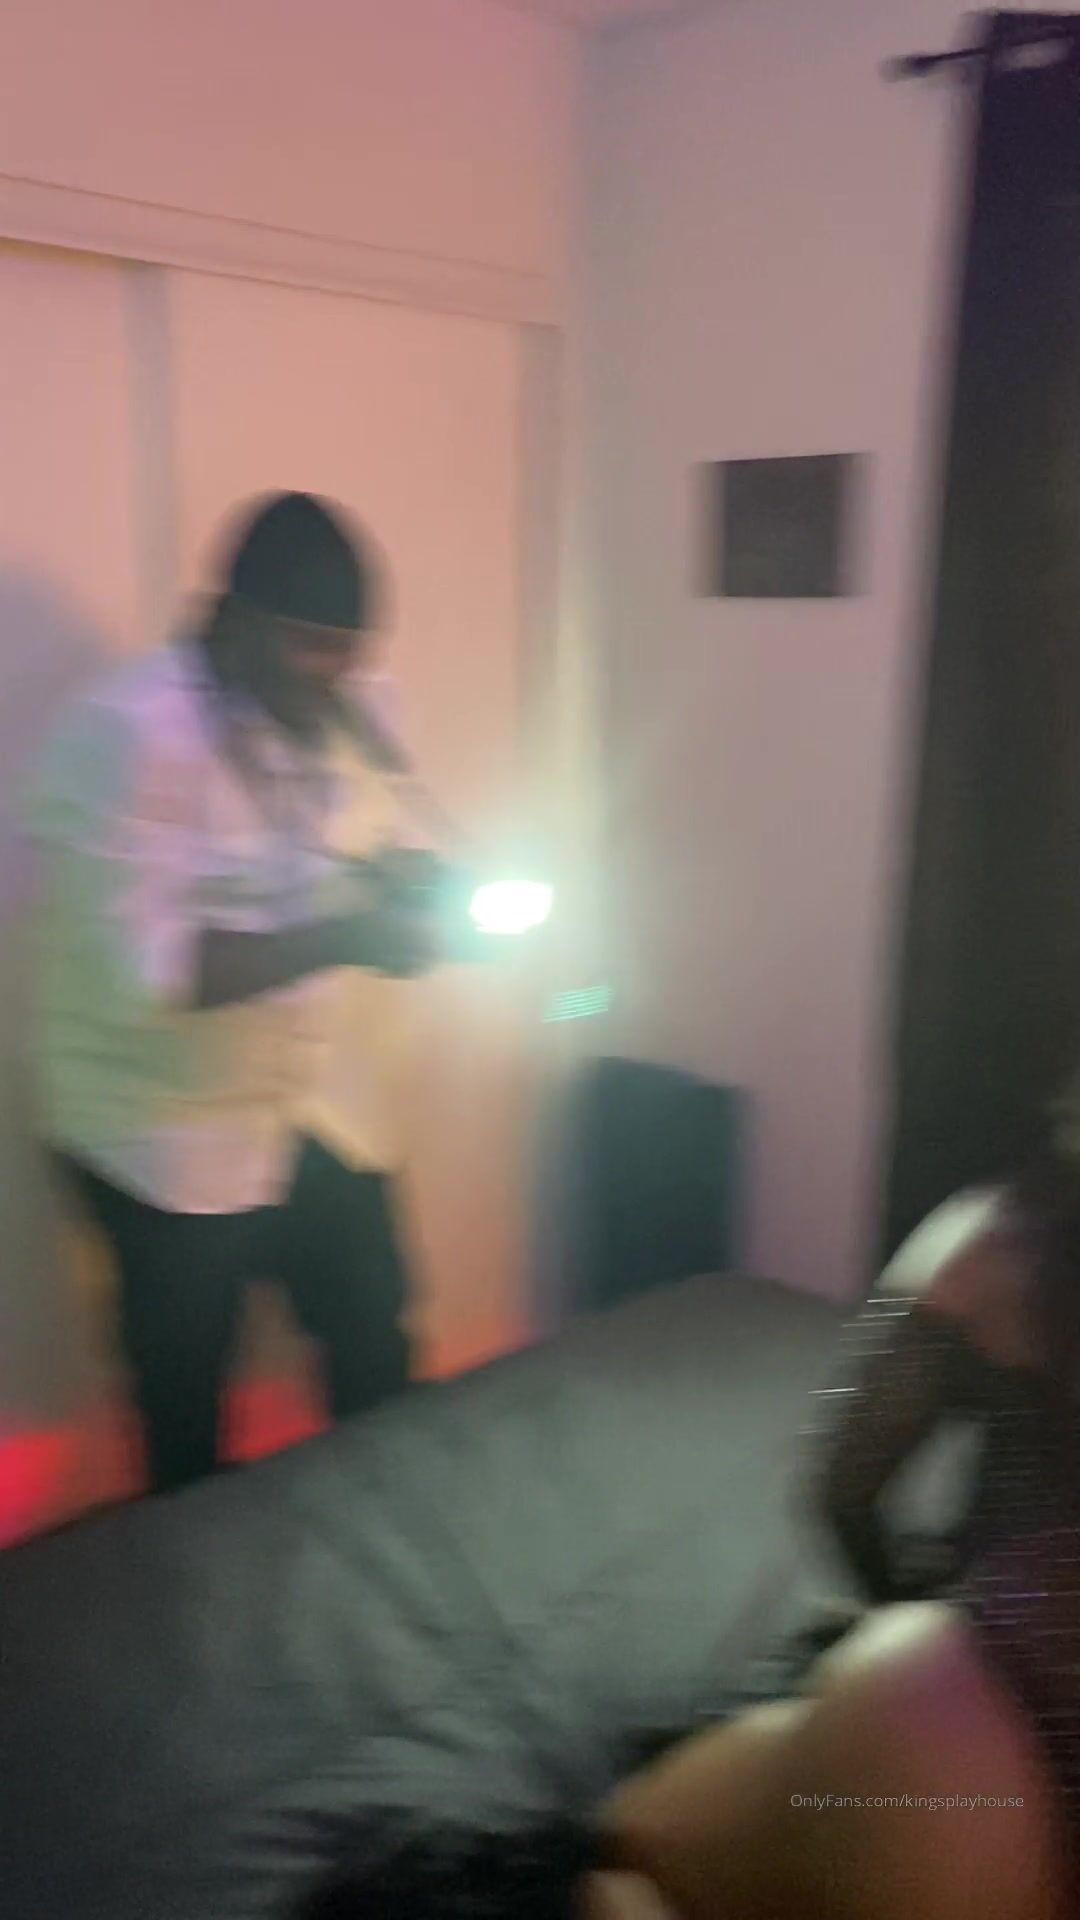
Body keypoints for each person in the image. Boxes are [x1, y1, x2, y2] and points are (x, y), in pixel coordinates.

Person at [298, 1135, 1080, 1918]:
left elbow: (844, 1488)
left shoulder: (997, 1243)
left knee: (595, 1857)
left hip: (940, 1730)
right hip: (944, 1716)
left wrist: (892, 1617)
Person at [30, 491, 439, 1493]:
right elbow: (157, 972)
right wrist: (352, 936)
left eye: (353, 650)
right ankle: (194, 1579)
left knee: (375, 1342)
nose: (339, 673)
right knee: (184, 1399)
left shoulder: (355, 699)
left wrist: (408, 879)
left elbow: (366, 837)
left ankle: (387, 1546)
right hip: (160, 1127)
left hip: (312, 1106)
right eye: (313, 646)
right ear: (236, 622)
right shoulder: (131, 736)